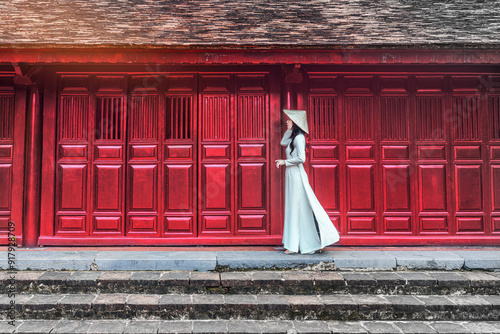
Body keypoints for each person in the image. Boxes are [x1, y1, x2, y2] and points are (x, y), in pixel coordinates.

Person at [275, 109, 340, 254]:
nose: (287, 121)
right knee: (293, 207)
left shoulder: (299, 138)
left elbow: (301, 159)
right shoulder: (293, 137)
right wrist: (288, 130)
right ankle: (295, 243)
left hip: (296, 175)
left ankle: (295, 245)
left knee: (297, 208)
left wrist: (284, 162)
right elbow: (282, 142)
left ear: (296, 123)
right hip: (291, 175)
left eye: (290, 120)